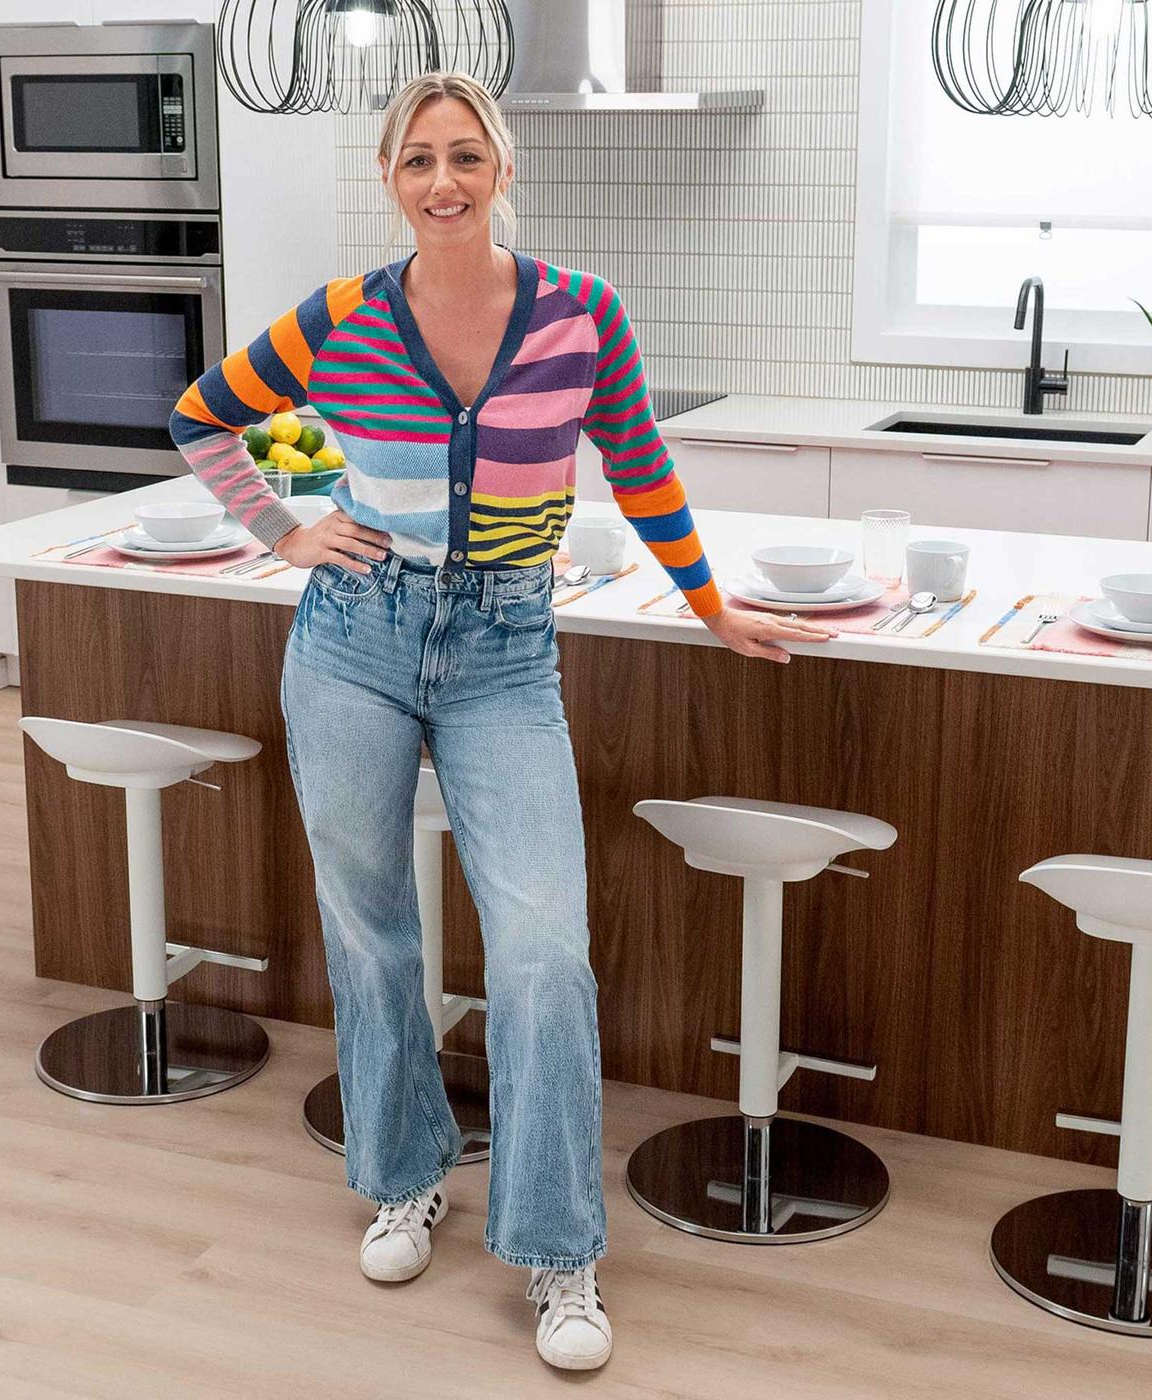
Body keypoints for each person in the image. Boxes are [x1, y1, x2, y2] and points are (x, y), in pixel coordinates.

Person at [170, 70, 835, 1372]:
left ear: (503, 170)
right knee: (371, 933)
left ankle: (557, 1246)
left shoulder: (581, 314)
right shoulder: (340, 318)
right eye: (419, 159)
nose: (444, 181)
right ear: (390, 178)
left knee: (541, 955)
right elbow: (204, 417)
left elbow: (641, 467)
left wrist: (708, 603)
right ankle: (403, 1177)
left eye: (465, 156)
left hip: (505, 655)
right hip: (352, 642)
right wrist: (283, 532)